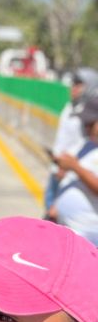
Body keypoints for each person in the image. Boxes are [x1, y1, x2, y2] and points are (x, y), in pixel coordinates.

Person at [46, 69, 98, 215]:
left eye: (79, 84)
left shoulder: (90, 110)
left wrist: (74, 167)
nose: (73, 88)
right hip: (62, 169)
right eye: (73, 84)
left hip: (74, 171)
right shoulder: (70, 107)